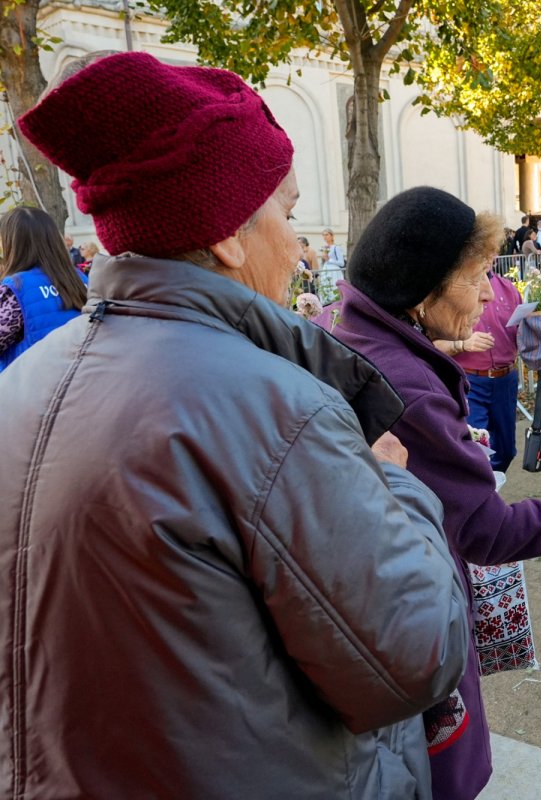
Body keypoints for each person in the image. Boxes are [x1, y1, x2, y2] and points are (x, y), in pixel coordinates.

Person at [1, 51, 470, 797]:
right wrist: (393, 490)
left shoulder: (26, 380)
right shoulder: (274, 410)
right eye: (286, 214)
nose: (299, 247)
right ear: (226, 235)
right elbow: (414, 656)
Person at [318, 186, 541, 800]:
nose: (489, 293)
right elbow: (489, 532)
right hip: (410, 630)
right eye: (477, 277)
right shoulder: (407, 387)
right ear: (424, 290)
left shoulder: (349, 336)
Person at [441, 269, 522, 473]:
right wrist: (461, 344)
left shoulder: (508, 288)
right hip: (470, 381)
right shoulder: (453, 289)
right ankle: (481, 496)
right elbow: (427, 343)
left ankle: (492, 490)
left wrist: (535, 333)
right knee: (476, 450)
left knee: (506, 451)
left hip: (506, 380)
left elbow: (523, 331)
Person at [0, 206, 89, 371]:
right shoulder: (81, 279)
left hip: (32, 387)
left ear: (12, 243)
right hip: (80, 381)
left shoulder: (16, 288)